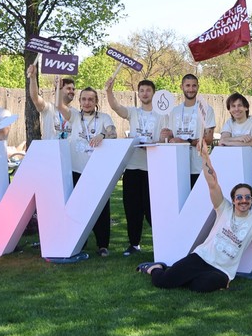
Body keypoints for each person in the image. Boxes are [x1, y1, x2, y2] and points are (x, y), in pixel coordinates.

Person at [136, 146, 252, 291]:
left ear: (251, 200)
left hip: (222, 271)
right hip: (201, 258)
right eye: (239, 197)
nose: (243, 200)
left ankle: (197, 279)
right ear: (233, 199)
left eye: (247, 197)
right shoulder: (224, 209)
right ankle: (155, 268)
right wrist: (206, 158)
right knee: (163, 282)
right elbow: (212, 183)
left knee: (200, 287)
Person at [106, 77, 166, 257]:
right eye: (142, 91)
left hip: (152, 168)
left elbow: (166, 138)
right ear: (138, 94)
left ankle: (162, 242)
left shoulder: (162, 115)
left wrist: (157, 142)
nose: (145, 93)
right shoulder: (133, 112)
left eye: (148, 90)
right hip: (132, 167)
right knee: (131, 208)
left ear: (153, 94)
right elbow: (116, 107)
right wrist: (109, 91)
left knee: (152, 209)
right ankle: (134, 244)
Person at [59, 87, 118, 256]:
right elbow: (58, 106)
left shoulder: (104, 118)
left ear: (96, 102)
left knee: (101, 208)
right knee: (77, 206)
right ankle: (80, 242)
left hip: (97, 171)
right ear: (80, 101)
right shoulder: (74, 116)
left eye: (91, 99)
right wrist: (58, 86)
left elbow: (113, 133)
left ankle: (103, 245)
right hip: (76, 169)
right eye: (84, 99)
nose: (87, 102)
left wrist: (103, 135)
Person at [160, 74, 216, 188]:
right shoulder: (174, 111)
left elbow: (209, 139)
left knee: (198, 204)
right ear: (181, 87)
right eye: (188, 85)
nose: (191, 89)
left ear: (198, 87)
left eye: (194, 86)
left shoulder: (206, 109)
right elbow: (171, 138)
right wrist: (166, 136)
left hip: (198, 167)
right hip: (178, 166)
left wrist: (185, 141)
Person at [218, 93, 252, 194]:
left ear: (246, 107)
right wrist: (240, 138)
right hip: (235, 175)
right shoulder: (229, 123)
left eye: (239, 105)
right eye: (233, 106)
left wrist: (230, 141)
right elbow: (222, 142)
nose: (236, 109)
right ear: (229, 109)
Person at [27, 63, 75, 140]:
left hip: (68, 151)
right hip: (50, 150)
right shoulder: (49, 108)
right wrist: (33, 78)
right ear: (59, 89)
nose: (72, 91)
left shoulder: (75, 112)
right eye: (68, 88)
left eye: (73, 89)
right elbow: (35, 98)